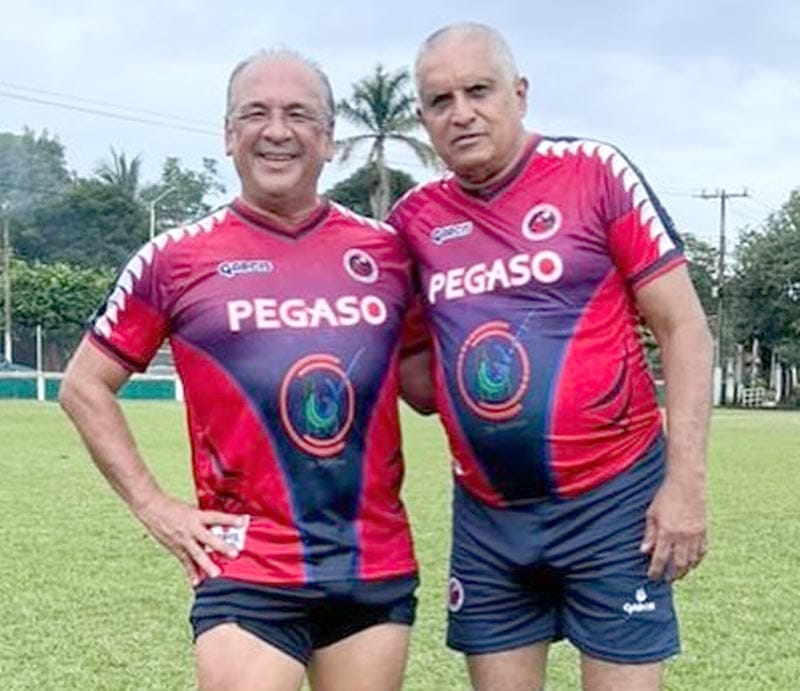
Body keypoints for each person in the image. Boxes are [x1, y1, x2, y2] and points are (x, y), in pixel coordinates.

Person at [60, 50, 424, 691]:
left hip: (373, 563)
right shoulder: (173, 259)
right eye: (256, 113)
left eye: (299, 114)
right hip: (247, 567)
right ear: (229, 135)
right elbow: (84, 385)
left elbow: (429, 382)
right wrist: (155, 507)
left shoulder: (390, 252)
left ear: (329, 139)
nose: (277, 130)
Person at [388, 23, 713, 691]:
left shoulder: (594, 172)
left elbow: (684, 327)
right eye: (441, 100)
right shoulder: (414, 221)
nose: (462, 113)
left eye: (479, 90)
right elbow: (415, 377)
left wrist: (684, 484)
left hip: (616, 503)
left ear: (520, 92)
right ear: (423, 118)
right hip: (490, 516)